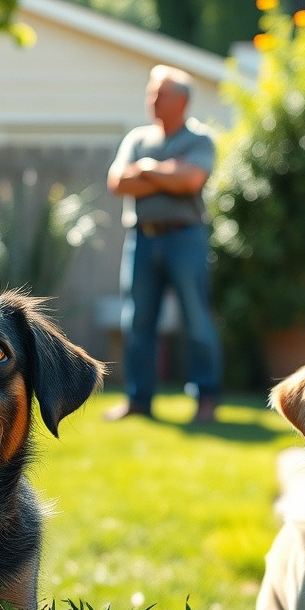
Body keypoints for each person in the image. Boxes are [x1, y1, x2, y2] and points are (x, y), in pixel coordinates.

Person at [103, 65, 222, 424]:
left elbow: (191, 180)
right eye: (150, 93)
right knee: (137, 322)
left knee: (196, 320)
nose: (152, 100)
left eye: (160, 94)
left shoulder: (200, 140)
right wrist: (165, 172)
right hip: (142, 238)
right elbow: (117, 182)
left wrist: (146, 170)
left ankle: (206, 398)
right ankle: (138, 399)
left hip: (185, 238)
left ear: (182, 100)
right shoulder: (137, 138)